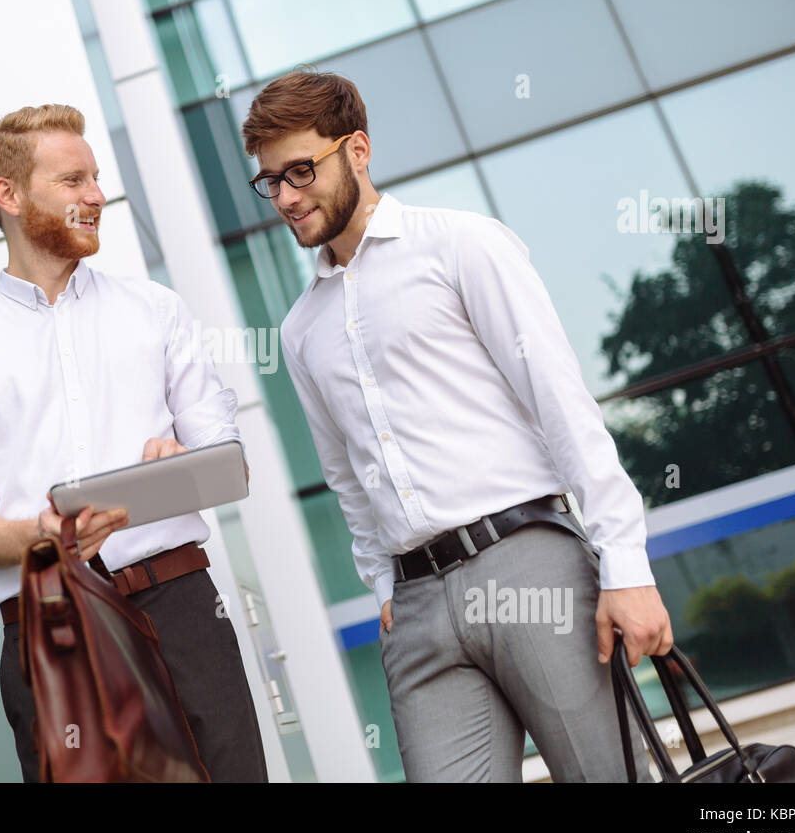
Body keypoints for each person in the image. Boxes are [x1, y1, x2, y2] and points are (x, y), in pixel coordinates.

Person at [243, 71, 671, 782]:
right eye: (270, 182)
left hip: (527, 561)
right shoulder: (299, 330)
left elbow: (561, 403)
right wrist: (383, 586)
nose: (286, 197)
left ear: (357, 150)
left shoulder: (460, 246)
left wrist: (626, 564)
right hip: (416, 609)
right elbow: (347, 474)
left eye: (300, 171)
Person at [0, 104, 266, 782]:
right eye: (73, 180)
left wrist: (187, 465)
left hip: (181, 606)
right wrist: (44, 535)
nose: (96, 196)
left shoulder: (156, 311)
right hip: (49, 626)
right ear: (9, 196)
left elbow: (226, 461)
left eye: (95, 178)